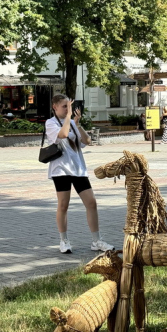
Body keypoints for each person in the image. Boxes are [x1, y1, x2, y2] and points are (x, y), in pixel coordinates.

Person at [46, 94, 114, 254]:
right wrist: (69, 118)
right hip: (61, 170)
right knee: (63, 205)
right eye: (64, 106)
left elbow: (86, 142)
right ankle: (64, 240)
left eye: (68, 106)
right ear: (55, 107)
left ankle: (96, 241)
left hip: (78, 169)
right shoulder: (50, 123)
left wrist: (77, 124)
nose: (67, 109)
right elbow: (62, 135)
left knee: (91, 203)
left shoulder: (71, 123)